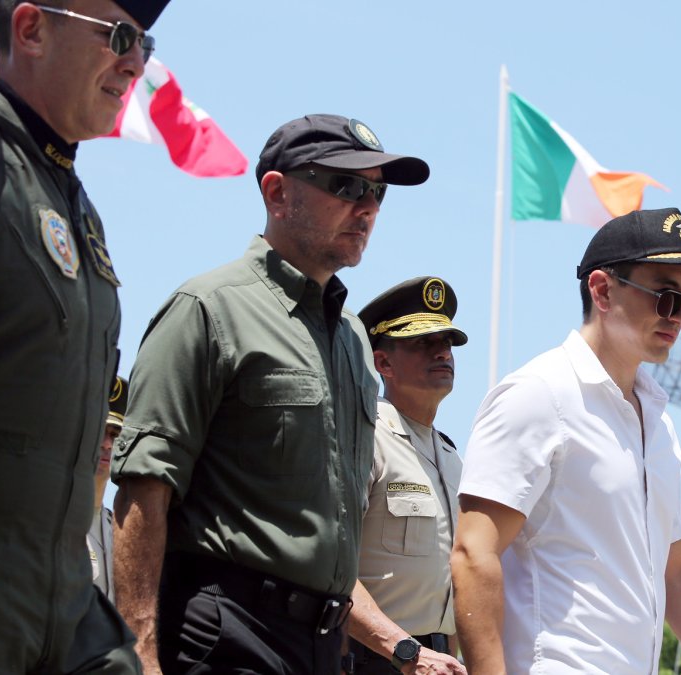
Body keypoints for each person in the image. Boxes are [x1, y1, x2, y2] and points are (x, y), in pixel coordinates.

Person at [110, 113, 429, 675]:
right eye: (346, 186)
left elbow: (328, 533)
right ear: (277, 193)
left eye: (377, 192)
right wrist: (139, 653)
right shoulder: (208, 309)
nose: (368, 207)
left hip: (322, 645)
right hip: (227, 633)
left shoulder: (352, 339)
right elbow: (144, 489)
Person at [451, 207, 681, 675]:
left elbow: (680, 574)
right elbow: (474, 554)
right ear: (602, 290)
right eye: (666, 298)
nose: (679, 318)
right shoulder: (538, 394)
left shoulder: (659, 423)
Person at [0, 0, 167, 671]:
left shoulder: (74, 202)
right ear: (31, 29)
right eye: (118, 36)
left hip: (63, 603)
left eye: (144, 43)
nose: (136, 63)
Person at [344, 276, 469, 675]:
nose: (442, 352)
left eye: (446, 343)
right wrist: (405, 652)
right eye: (423, 343)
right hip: (371, 658)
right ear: (383, 363)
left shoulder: (451, 457)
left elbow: (447, 585)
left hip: (434, 661)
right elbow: (329, 567)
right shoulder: (365, 439)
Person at [88, 376, 128, 604]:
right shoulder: (51, 522)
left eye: (114, 434)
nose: (106, 443)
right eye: (98, 432)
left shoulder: (119, 531)